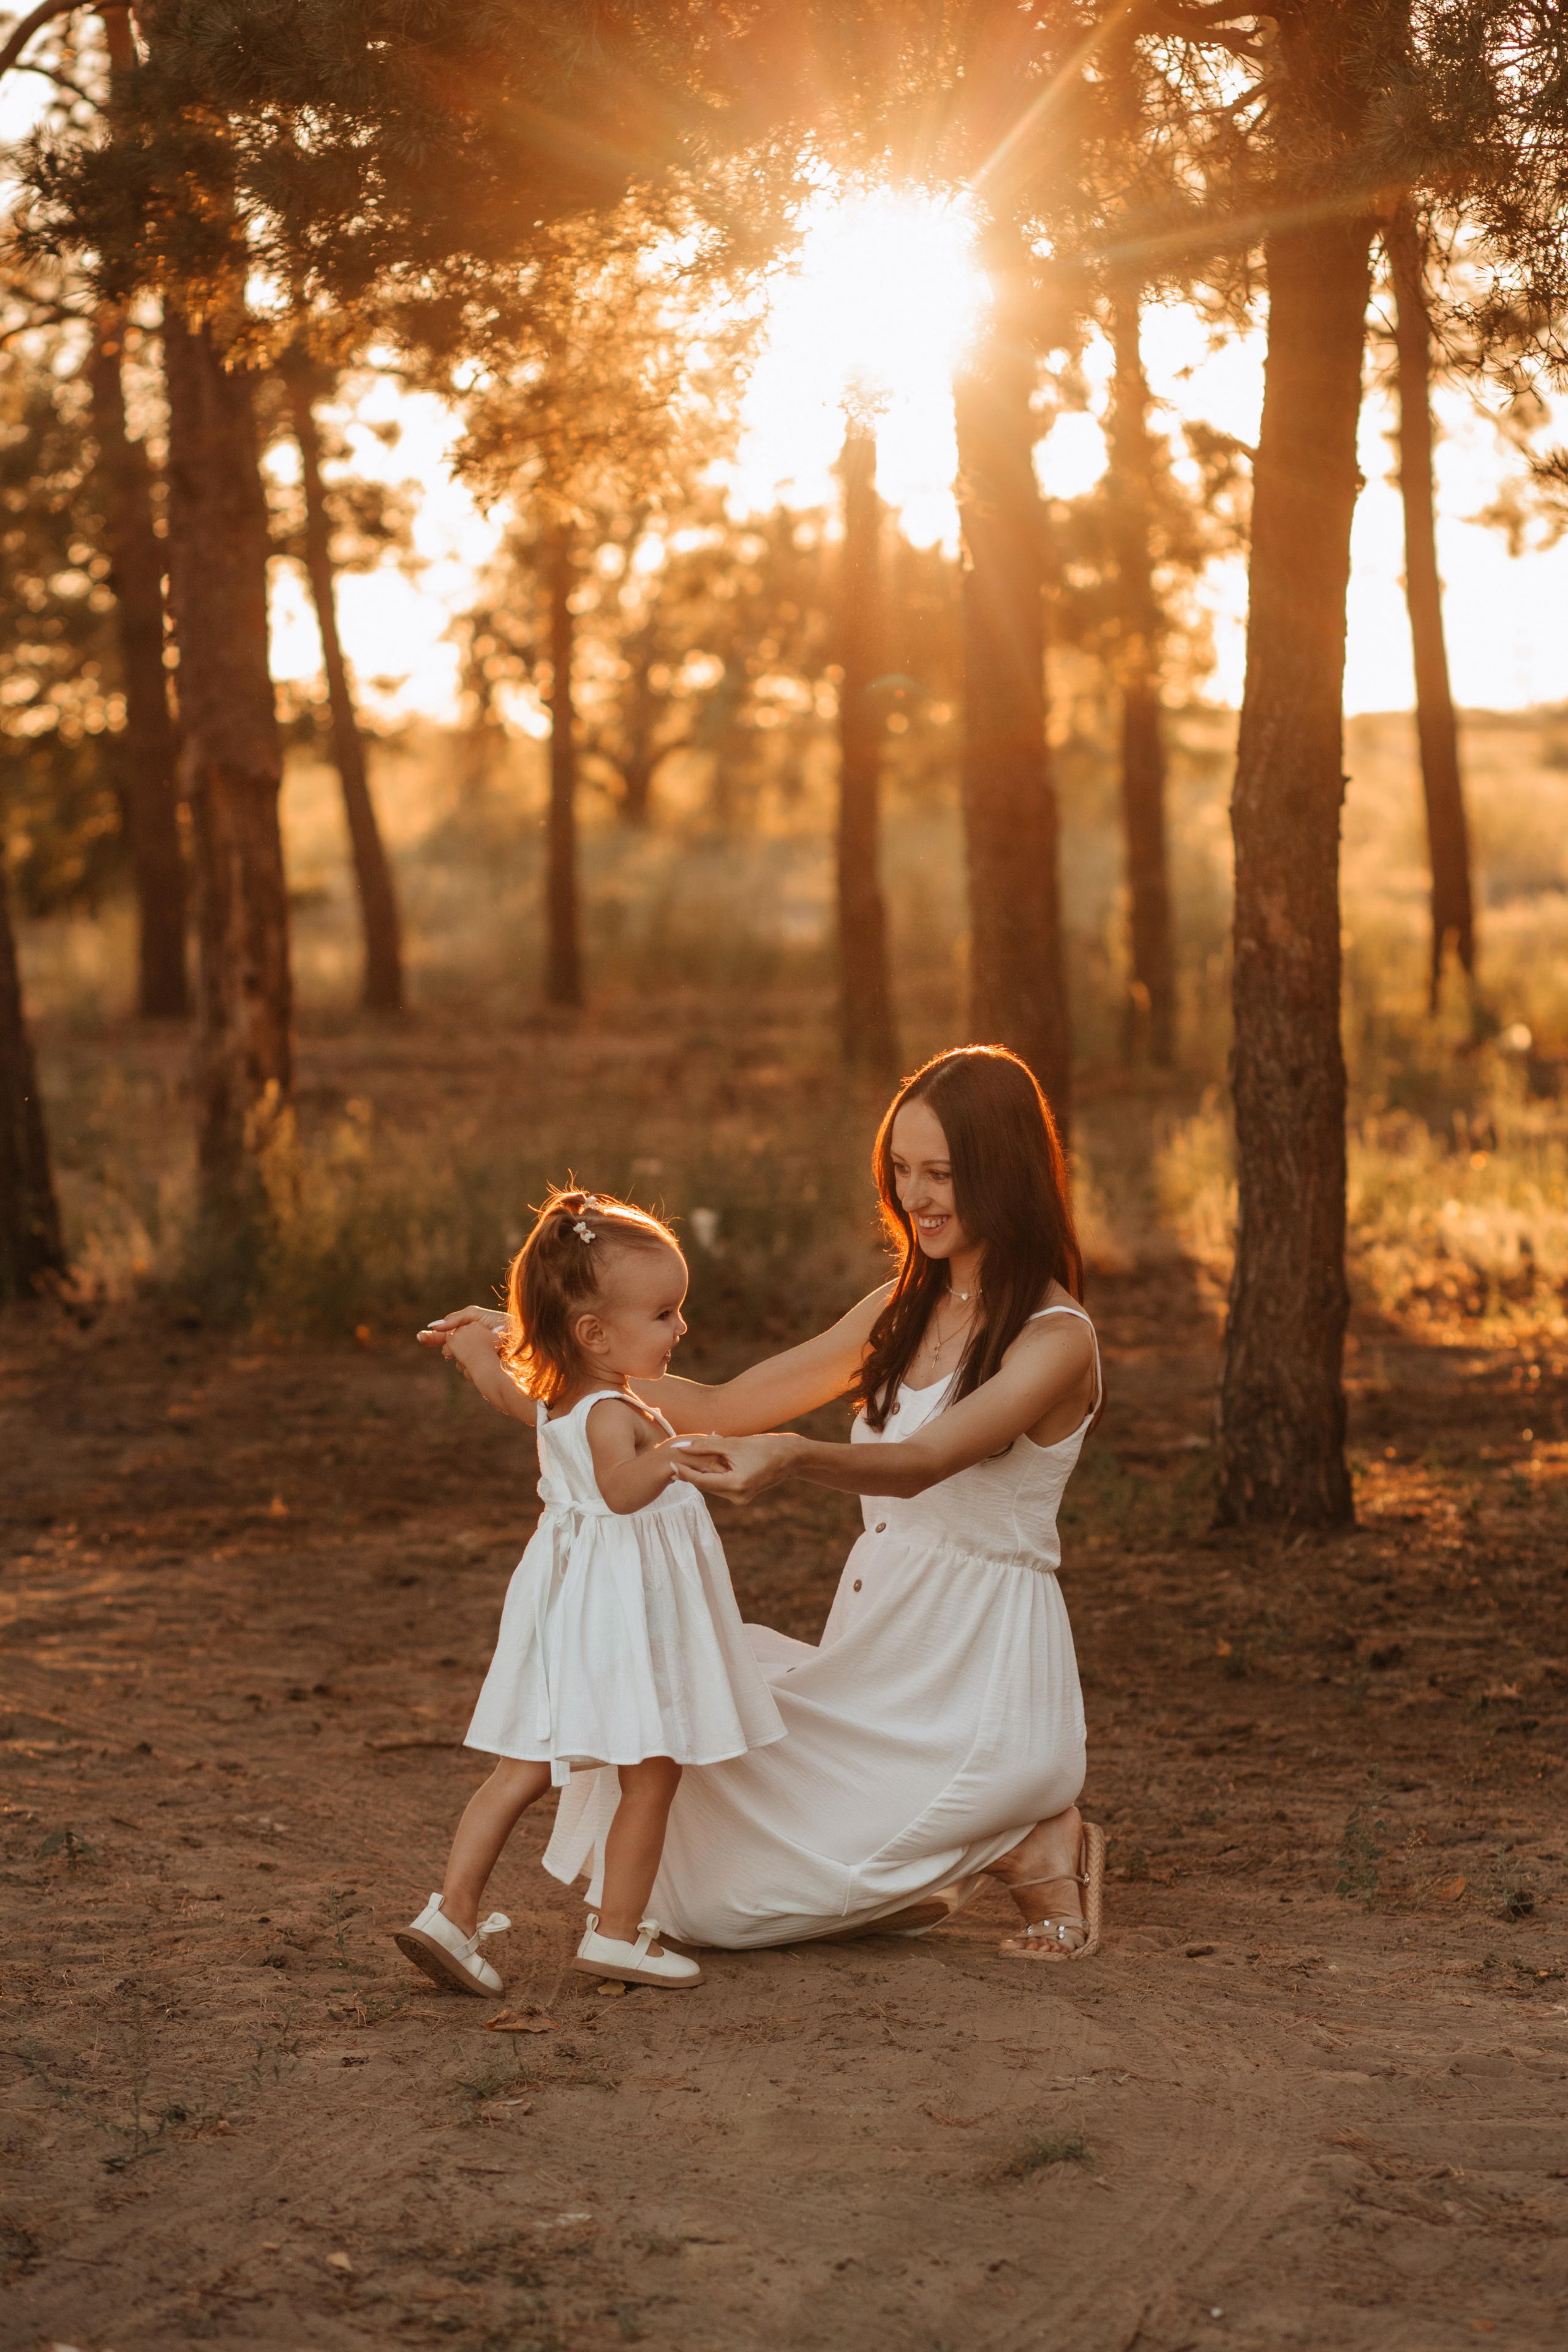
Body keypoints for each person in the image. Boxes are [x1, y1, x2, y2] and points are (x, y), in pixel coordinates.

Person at [424, 1045, 1104, 1961]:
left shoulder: (1057, 1339)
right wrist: (548, 1346)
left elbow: (924, 1462)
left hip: (979, 1666)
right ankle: (933, 1854)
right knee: (678, 1718)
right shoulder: (902, 1306)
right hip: (879, 1646)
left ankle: (1028, 1831)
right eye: (902, 1169)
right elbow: (719, 1404)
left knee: (723, 1908)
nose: (915, 1197)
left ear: (1005, 1173)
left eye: (941, 1173)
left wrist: (794, 1458)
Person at [394, 1190, 783, 1998]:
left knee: (522, 1767)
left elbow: (501, 1389)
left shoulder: (556, 1399)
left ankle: (452, 1913)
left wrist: (473, 1348)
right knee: (652, 1771)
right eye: (665, 1314)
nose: (681, 1328)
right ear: (595, 1334)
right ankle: (616, 1935)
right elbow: (619, 1491)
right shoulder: (613, 1412)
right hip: (621, 1612)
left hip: (565, 1601)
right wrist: (671, 1457)